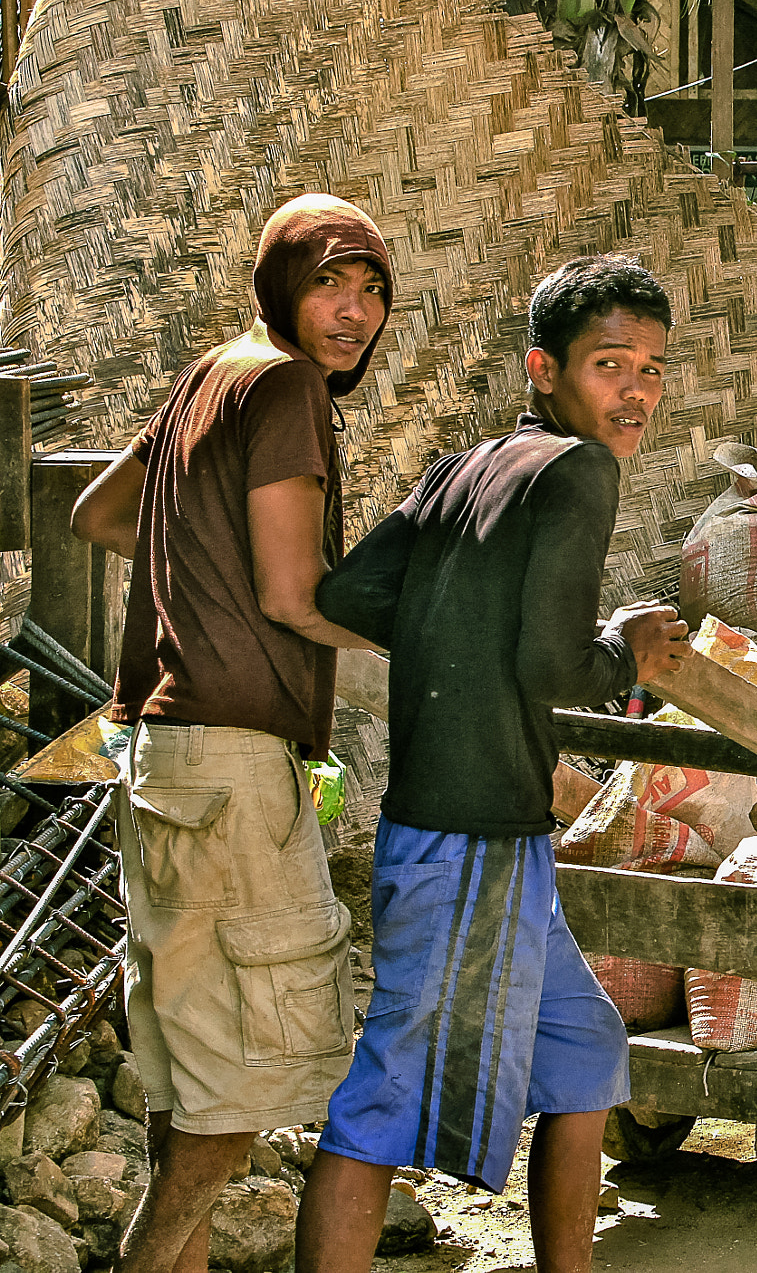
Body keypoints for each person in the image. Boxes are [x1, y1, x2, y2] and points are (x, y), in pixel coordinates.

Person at [295, 257, 692, 1272]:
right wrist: (629, 645)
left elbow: (349, 598)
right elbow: (555, 662)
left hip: (470, 829)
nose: (636, 390)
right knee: (384, 1099)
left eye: (652, 367)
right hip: (468, 840)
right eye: (610, 365)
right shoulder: (576, 471)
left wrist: (455, 644)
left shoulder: (465, 467)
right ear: (543, 368)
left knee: (586, 1051)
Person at [68, 193, 392, 1273]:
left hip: (162, 765)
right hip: (234, 769)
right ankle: (143, 1260)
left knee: (192, 1067)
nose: (353, 312)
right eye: (329, 282)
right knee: (253, 1068)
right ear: (281, 283)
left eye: (372, 290)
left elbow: (102, 516)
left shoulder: (213, 373)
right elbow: (299, 596)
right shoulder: (289, 386)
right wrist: (435, 639)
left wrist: (196, 586)